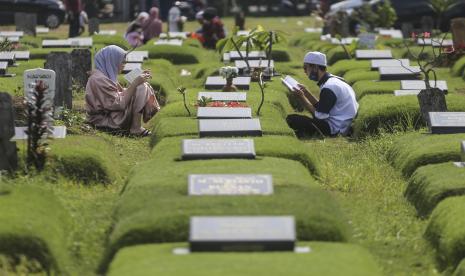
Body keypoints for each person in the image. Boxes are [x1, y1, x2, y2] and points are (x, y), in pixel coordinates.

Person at [85, 45, 160, 136]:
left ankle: (137, 125)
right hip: (105, 120)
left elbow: (121, 93)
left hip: (111, 115)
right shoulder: (99, 79)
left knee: (141, 86)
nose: (124, 65)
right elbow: (119, 104)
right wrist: (135, 83)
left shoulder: (104, 75)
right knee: (141, 87)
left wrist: (135, 79)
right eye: (122, 62)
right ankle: (136, 128)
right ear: (112, 61)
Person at [286, 51, 358, 137]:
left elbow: (319, 117)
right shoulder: (333, 81)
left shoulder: (329, 87)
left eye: (306, 68)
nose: (304, 71)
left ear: (315, 67)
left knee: (292, 119)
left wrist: (302, 97)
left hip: (335, 129)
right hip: (342, 124)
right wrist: (306, 93)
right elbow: (321, 107)